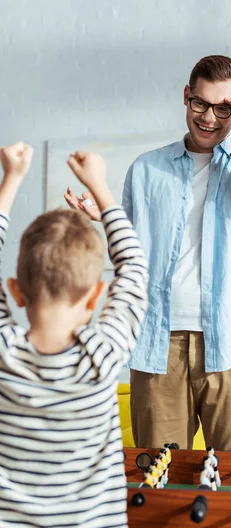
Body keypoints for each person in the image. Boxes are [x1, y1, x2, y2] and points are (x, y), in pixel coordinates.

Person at [65, 55, 231, 452]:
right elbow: (131, 257)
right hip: (157, 347)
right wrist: (102, 219)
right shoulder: (147, 168)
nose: (209, 118)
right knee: (158, 485)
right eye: (200, 103)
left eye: (224, 108)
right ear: (187, 96)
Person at [0, 142, 147, 526]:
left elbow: (131, 270)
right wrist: (100, 186)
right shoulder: (104, 356)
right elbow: (133, 267)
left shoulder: (3, 354)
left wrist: (10, 179)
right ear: (97, 295)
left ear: (15, 290)